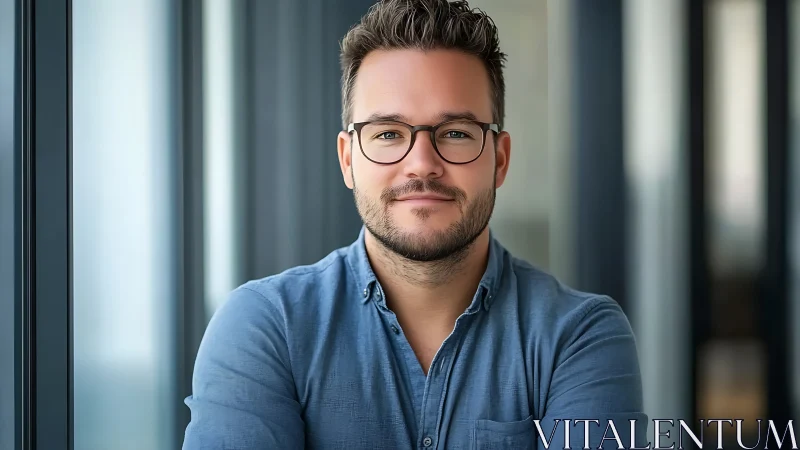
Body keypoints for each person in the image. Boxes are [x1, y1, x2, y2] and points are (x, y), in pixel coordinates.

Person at [183, 0, 647, 448]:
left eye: (456, 133)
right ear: (348, 160)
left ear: (499, 160)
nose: (421, 164)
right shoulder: (266, 327)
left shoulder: (581, 336)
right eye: (388, 134)